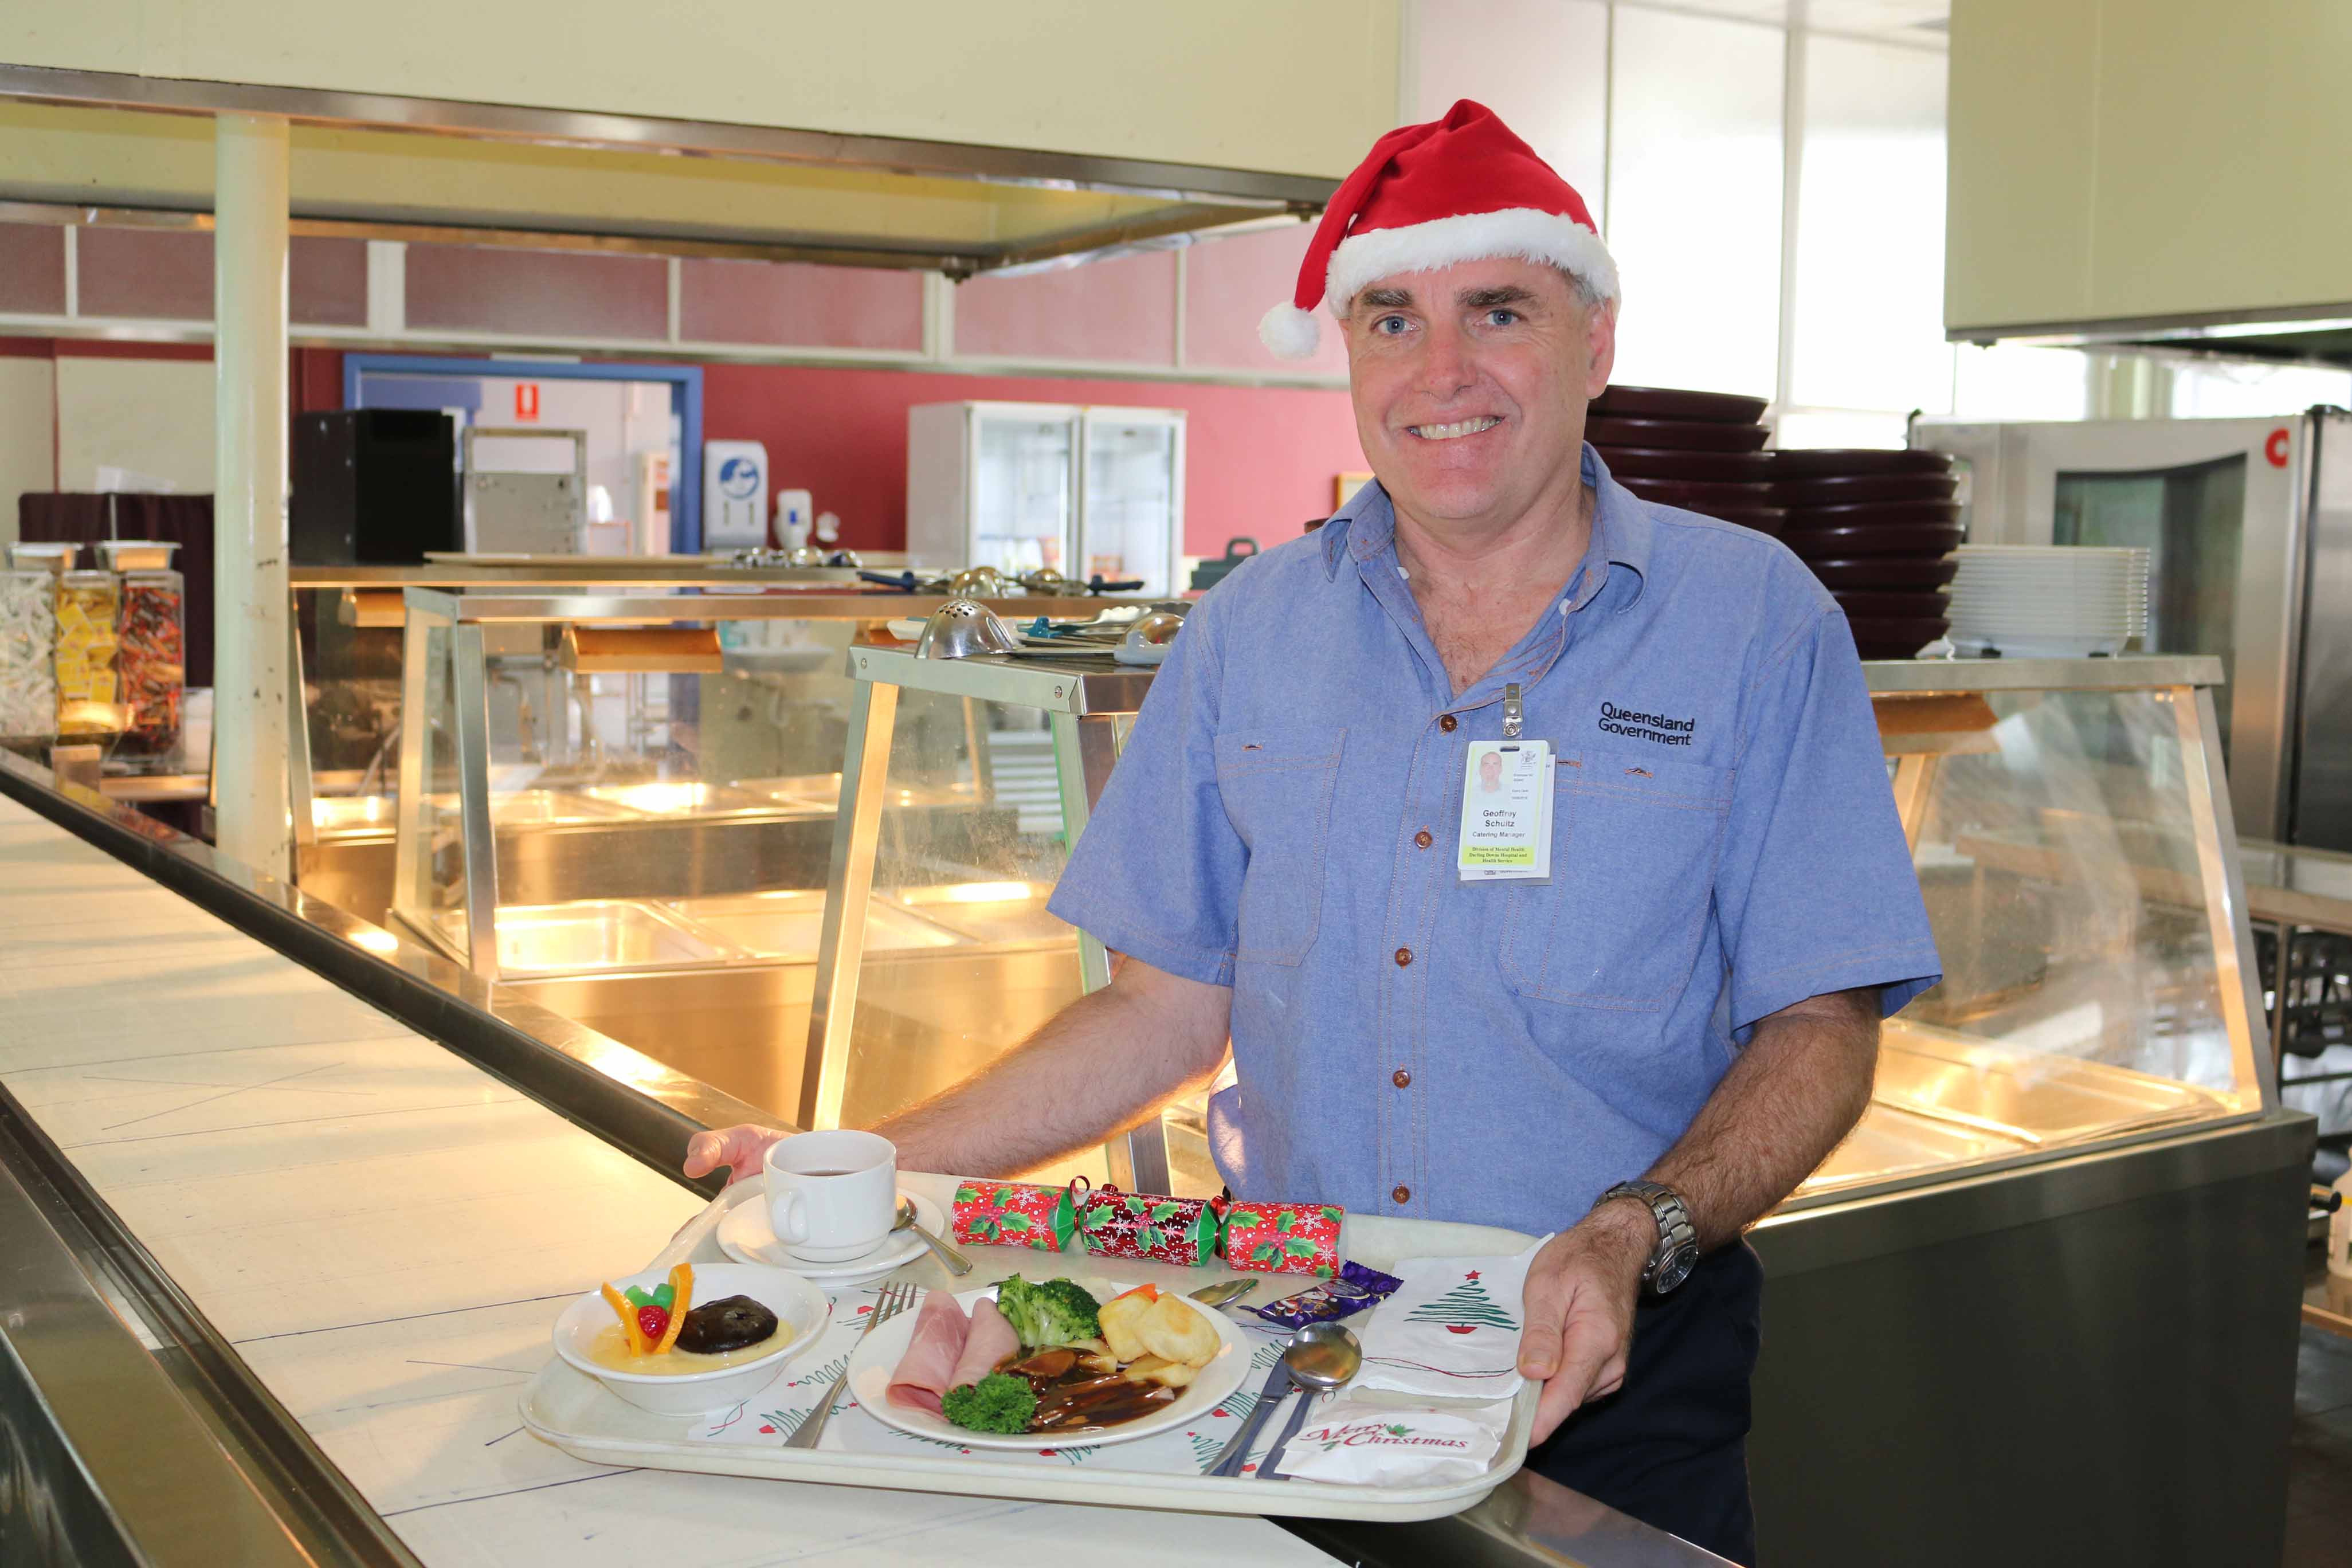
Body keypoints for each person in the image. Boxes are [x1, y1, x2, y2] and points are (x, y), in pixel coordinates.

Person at [686, 100, 1938, 1563]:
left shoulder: (1756, 622)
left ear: (1595, 341)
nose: (1444, 371)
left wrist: (1633, 1228)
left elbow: (1822, 1023)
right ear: (1347, 355)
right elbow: (1163, 1011)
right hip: (1283, 1345)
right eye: (1394, 319)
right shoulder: (1249, 633)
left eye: (1500, 311)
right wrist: (866, 1163)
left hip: (1611, 1359)